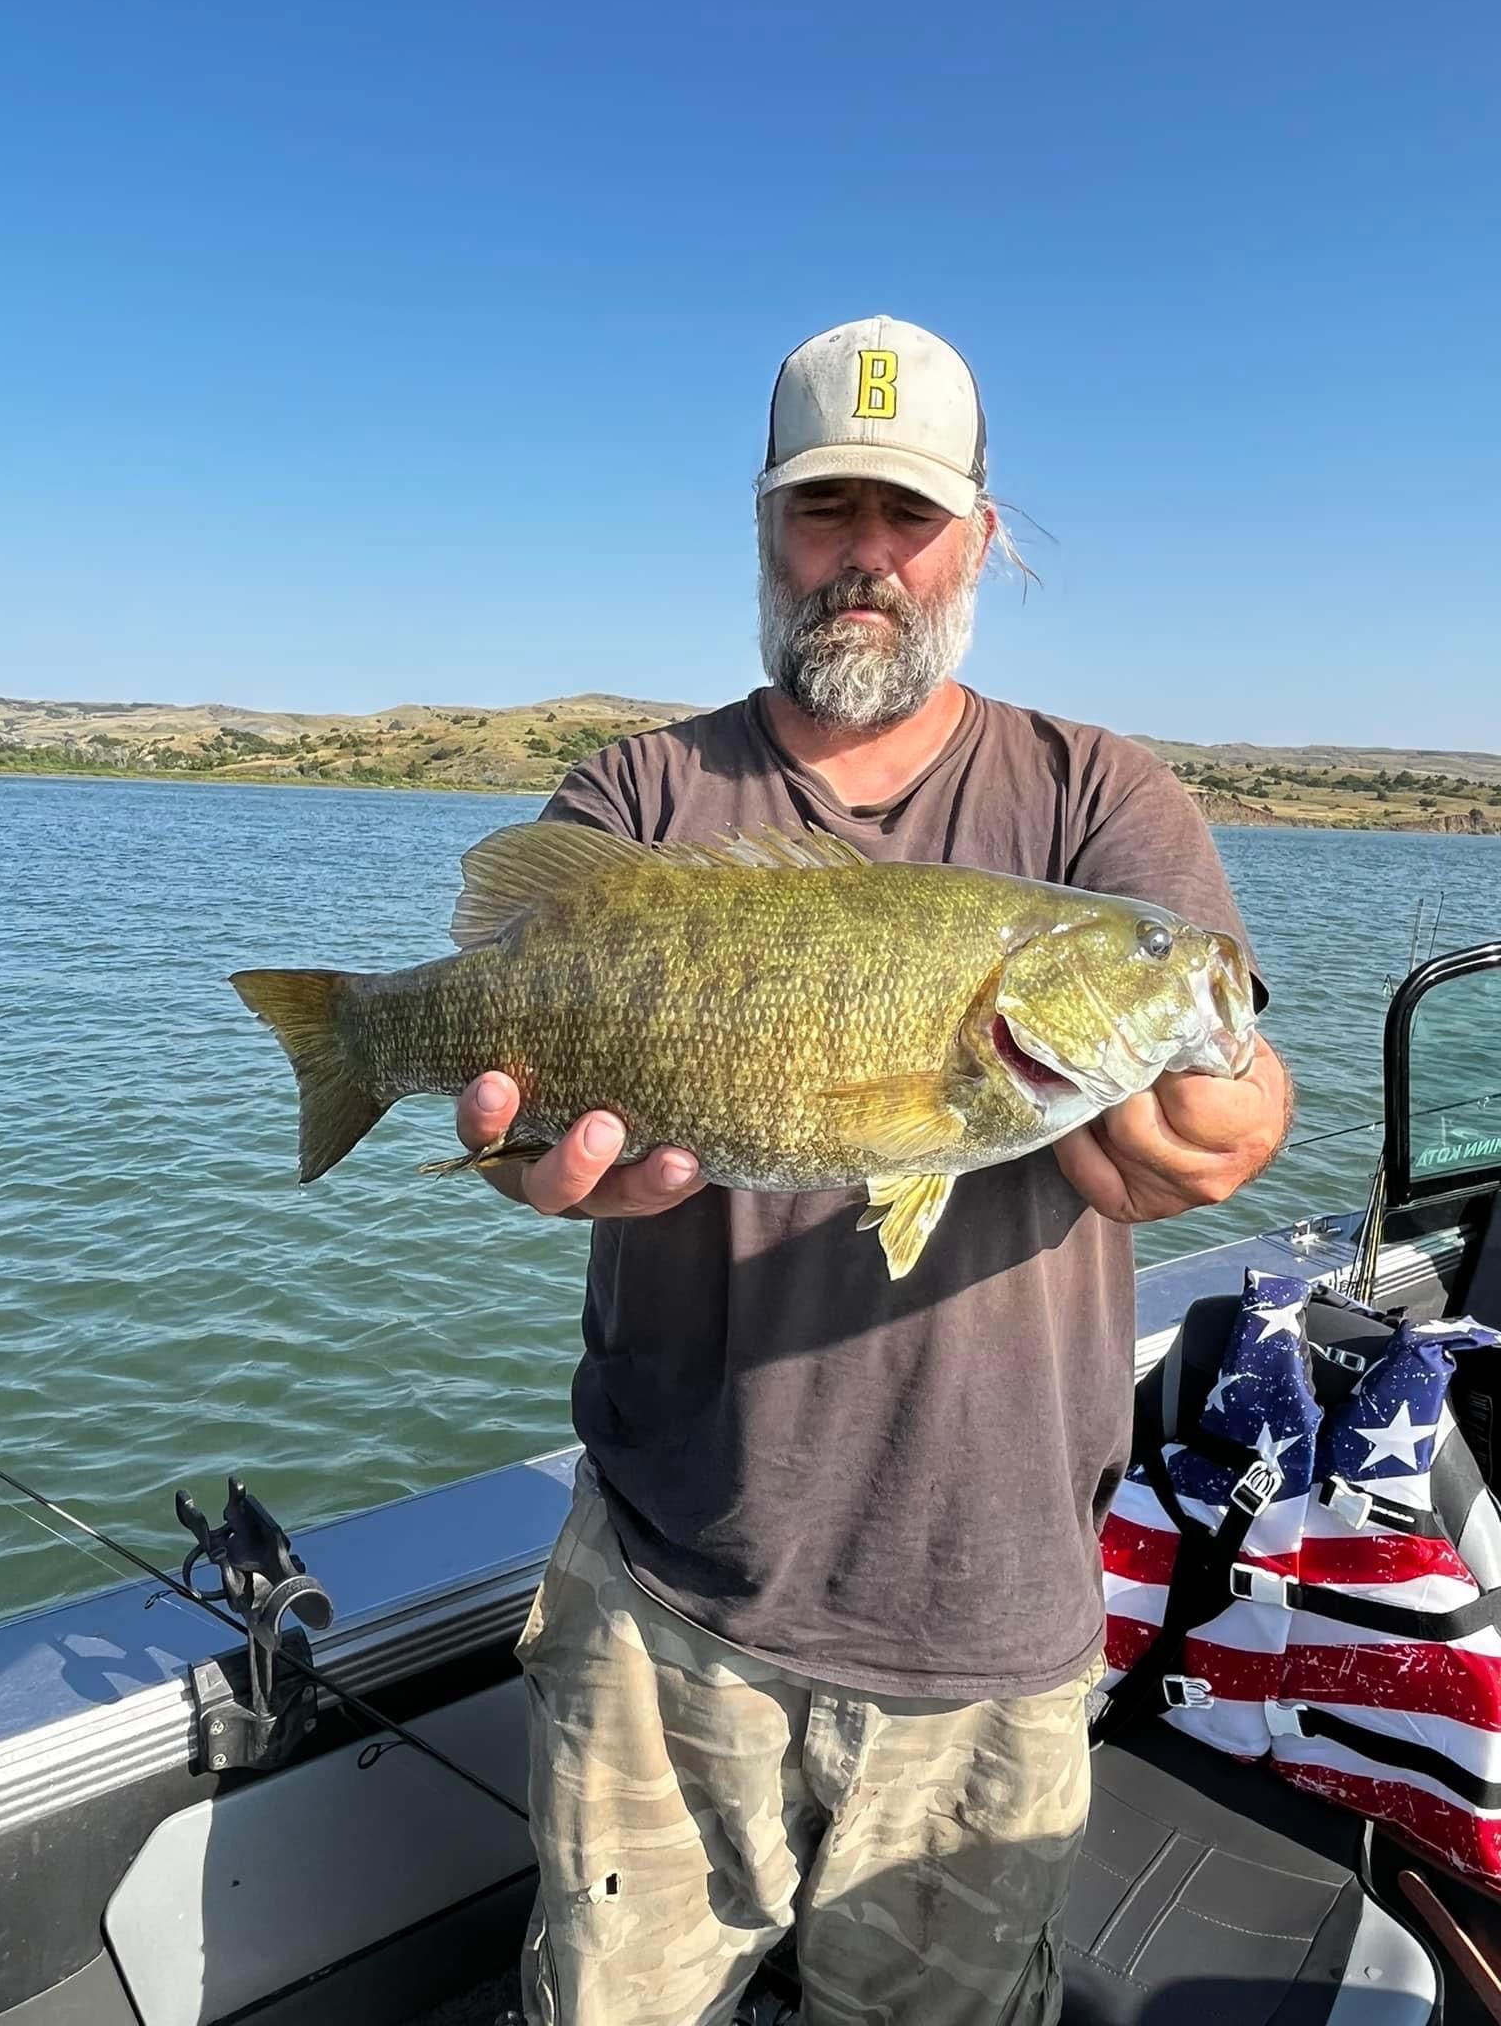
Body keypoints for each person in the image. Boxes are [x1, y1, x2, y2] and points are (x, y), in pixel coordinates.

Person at [458, 316, 1292, 2026]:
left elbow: (1218, 1120)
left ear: (981, 535)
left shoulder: (1093, 798)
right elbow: (529, 1122)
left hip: (988, 1620)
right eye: (824, 512)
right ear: (765, 528)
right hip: (669, 1581)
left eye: (907, 518)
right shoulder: (637, 788)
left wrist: (1199, 1092)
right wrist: (523, 1158)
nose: (866, 560)